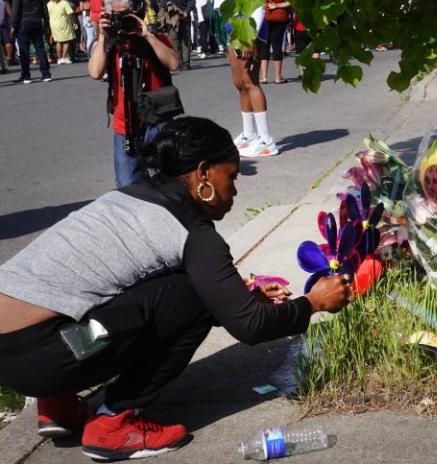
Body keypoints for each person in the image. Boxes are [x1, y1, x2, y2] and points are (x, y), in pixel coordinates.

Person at [0, 116, 351, 462]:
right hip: (43, 356)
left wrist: (239, 295)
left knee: (146, 289)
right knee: (196, 297)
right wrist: (311, 303)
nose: (235, 190)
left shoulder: (125, 197)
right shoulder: (193, 232)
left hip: (14, 353)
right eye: (231, 176)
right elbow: (250, 325)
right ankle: (114, 422)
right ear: (203, 174)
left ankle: (57, 405)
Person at [88, 0, 182, 187]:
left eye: (126, 15)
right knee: (128, 183)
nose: (122, 21)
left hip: (157, 118)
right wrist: (103, 36)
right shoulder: (110, 42)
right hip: (125, 122)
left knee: (165, 180)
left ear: (138, 14)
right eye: (116, 16)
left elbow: (175, 65)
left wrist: (148, 36)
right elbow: (95, 72)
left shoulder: (154, 38)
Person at [214, 0, 279, 157]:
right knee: (240, 84)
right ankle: (249, 134)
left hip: (247, 29)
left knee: (251, 82)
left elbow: (256, 3)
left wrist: (250, 38)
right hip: (231, 28)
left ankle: (266, 139)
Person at [10, 0, 52, 84]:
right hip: (37, 21)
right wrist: (46, 21)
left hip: (24, 22)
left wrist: (13, 24)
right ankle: (46, 74)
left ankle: (26, 75)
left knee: (24, 50)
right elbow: (44, 6)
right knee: (40, 48)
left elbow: (16, 8)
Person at [157, 0, 195, 70]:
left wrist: (173, 9)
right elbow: (192, 2)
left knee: (174, 39)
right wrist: (186, 12)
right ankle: (186, 63)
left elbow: (162, 2)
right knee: (185, 39)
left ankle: (178, 62)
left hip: (171, 17)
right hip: (184, 16)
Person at [262, 0, 291, 83]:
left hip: (266, 17)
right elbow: (290, 1)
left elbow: (261, 1)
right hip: (280, 18)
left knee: (265, 46)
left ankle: (264, 77)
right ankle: (278, 77)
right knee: (277, 46)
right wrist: (277, 5)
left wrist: (268, 5)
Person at [47, 0, 75, 64]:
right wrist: (74, 22)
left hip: (53, 24)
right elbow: (70, 13)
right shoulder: (64, 3)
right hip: (63, 23)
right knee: (66, 41)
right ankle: (64, 57)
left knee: (58, 41)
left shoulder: (49, 4)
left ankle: (59, 58)